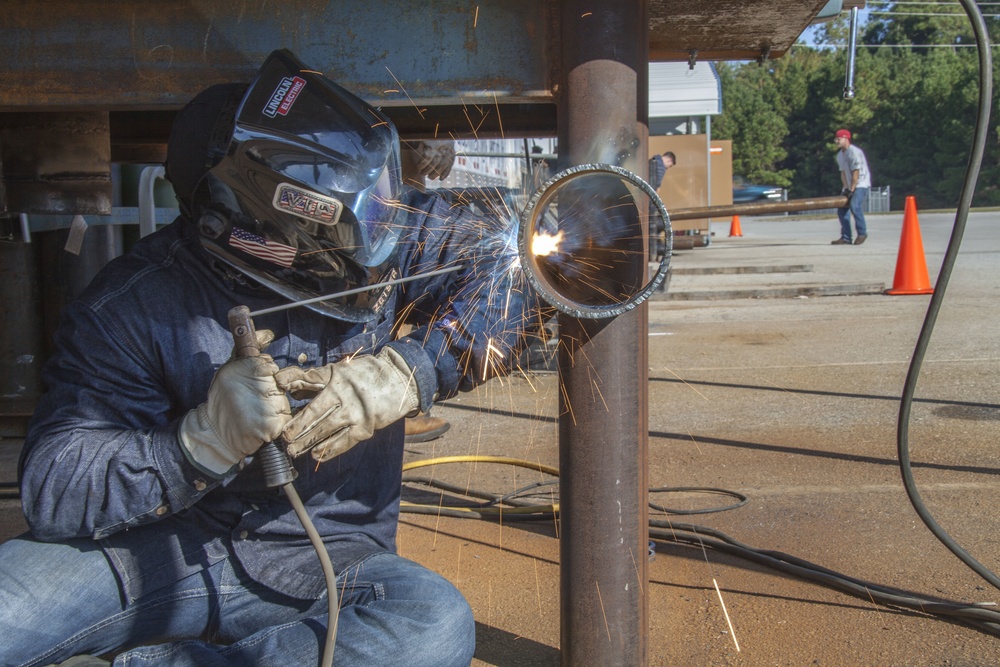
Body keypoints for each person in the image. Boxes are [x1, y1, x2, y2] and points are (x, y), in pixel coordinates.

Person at [0, 49, 538, 666]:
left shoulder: (387, 225)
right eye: (344, 226)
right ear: (251, 230)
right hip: (157, 544)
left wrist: (413, 370)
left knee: (431, 627)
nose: (377, 234)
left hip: (327, 557)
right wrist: (193, 445)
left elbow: (523, 266)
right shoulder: (131, 304)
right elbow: (53, 484)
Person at [832, 129, 871, 245]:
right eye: (836, 139)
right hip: (849, 186)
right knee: (842, 209)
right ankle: (846, 237)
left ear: (846, 139)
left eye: (839, 139)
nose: (836, 141)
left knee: (854, 206)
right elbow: (843, 173)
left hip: (861, 184)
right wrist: (845, 188)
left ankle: (862, 233)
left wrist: (852, 189)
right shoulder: (839, 155)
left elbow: (856, 172)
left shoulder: (854, 152)